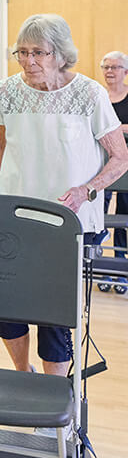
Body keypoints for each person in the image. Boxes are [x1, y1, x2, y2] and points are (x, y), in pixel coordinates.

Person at [0, 15, 128, 376]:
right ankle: (23, 373)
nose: (29, 61)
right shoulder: (4, 92)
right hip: (15, 216)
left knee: (52, 314)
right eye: (22, 52)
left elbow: (120, 157)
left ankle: (52, 396)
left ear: (60, 54)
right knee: (6, 306)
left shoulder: (90, 94)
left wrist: (88, 189)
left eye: (39, 53)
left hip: (70, 221)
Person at [99, 51, 128, 291]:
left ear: (125, 72)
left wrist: (112, 128)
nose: (110, 71)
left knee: (123, 214)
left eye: (116, 67)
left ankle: (120, 263)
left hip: (126, 166)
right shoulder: (98, 96)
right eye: (106, 67)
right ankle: (100, 263)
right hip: (101, 164)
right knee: (99, 211)